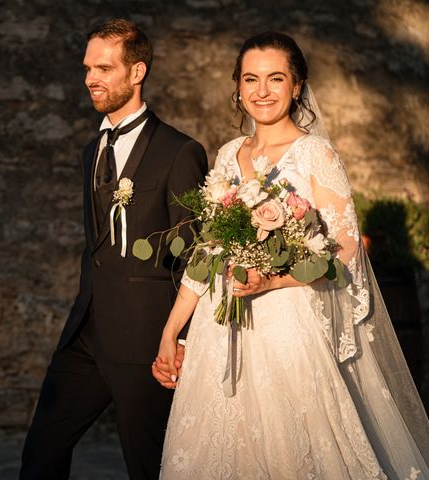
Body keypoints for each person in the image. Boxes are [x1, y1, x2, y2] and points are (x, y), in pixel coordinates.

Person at [155, 31, 429, 479]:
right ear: (238, 87)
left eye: (275, 78)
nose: (262, 91)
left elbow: (344, 253)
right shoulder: (227, 157)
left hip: (287, 329)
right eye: (250, 79)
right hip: (217, 330)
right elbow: (206, 254)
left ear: (297, 85)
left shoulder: (316, 155)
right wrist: (171, 331)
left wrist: (273, 280)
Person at [20, 19, 208, 480]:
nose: (91, 78)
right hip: (85, 334)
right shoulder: (91, 150)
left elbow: (195, 252)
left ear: (137, 71)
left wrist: (181, 338)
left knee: (148, 466)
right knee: (40, 455)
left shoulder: (180, 152)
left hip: (145, 339)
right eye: (88, 68)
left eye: (104, 68)